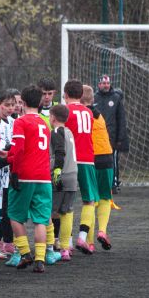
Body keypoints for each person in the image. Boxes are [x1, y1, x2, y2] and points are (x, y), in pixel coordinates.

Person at [6, 85, 52, 274]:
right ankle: (40, 260)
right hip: (44, 176)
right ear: (40, 102)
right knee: (41, 220)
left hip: (25, 175)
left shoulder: (21, 122)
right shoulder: (44, 123)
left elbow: (19, 150)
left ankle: (25, 253)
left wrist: (14, 170)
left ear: (23, 102)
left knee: (15, 215)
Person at [64, 79, 99, 254]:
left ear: (65, 95)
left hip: (70, 160)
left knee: (67, 202)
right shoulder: (88, 112)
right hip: (87, 159)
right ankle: (82, 238)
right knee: (89, 200)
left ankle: (68, 243)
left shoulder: (65, 111)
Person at [81, 85, 114, 251]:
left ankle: (90, 242)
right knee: (105, 197)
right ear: (93, 99)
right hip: (107, 157)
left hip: (90, 159)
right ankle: (102, 231)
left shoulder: (80, 115)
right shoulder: (98, 114)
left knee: (90, 200)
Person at [49, 104, 78, 262]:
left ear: (52, 117)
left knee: (50, 211)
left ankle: (49, 245)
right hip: (73, 175)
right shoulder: (69, 132)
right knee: (67, 212)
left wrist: (56, 170)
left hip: (61, 175)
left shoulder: (56, 132)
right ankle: (65, 248)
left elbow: (60, 152)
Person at [0, 90, 15, 258]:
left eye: (12, 105)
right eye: (7, 105)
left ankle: (0, 242)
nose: (10, 108)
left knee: (4, 207)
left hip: (7, 172)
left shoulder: (13, 122)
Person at [94, 74, 129, 192]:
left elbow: (121, 119)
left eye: (108, 83)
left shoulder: (116, 98)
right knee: (97, 160)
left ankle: (114, 183)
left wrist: (120, 138)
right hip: (97, 137)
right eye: (104, 83)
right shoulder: (94, 98)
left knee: (112, 160)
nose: (106, 85)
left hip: (112, 136)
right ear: (99, 84)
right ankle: (98, 184)